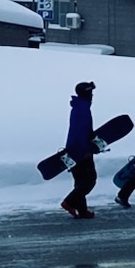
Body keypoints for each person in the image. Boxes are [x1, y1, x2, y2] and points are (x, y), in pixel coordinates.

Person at [60, 80, 97, 220]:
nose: (92, 95)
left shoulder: (79, 106)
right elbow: (81, 131)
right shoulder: (83, 108)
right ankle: (68, 202)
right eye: (91, 92)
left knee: (80, 180)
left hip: (73, 148)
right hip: (81, 150)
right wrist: (86, 150)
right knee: (89, 180)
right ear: (87, 94)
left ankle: (82, 211)